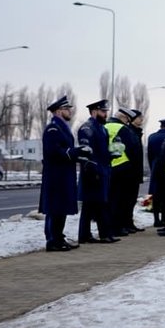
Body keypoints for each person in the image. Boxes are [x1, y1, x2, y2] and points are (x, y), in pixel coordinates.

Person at [39, 96, 91, 251]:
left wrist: (80, 155)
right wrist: (75, 152)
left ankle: (58, 238)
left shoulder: (62, 128)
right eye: (66, 109)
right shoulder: (53, 129)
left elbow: (66, 152)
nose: (69, 111)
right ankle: (53, 241)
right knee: (55, 208)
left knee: (60, 208)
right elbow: (54, 151)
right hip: (56, 176)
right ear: (58, 111)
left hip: (63, 174)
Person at [77, 99, 119, 244]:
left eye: (106, 111)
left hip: (103, 170)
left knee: (96, 204)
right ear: (94, 112)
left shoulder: (102, 129)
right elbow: (86, 152)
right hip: (92, 171)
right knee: (94, 204)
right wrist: (92, 169)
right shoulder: (87, 128)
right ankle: (99, 234)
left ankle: (91, 234)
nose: (105, 114)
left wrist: (112, 154)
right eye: (103, 111)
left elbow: (102, 152)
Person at [105, 107, 145, 235]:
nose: (128, 122)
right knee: (121, 200)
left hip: (108, 166)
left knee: (112, 199)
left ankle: (114, 226)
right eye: (127, 119)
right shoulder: (123, 129)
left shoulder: (105, 126)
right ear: (123, 118)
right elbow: (132, 149)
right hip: (123, 167)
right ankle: (118, 227)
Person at [146, 117, 165, 227]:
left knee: (156, 195)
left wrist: (152, 167)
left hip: (155, 167)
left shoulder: (152, 137)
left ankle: (156, 219)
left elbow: (149, 155)